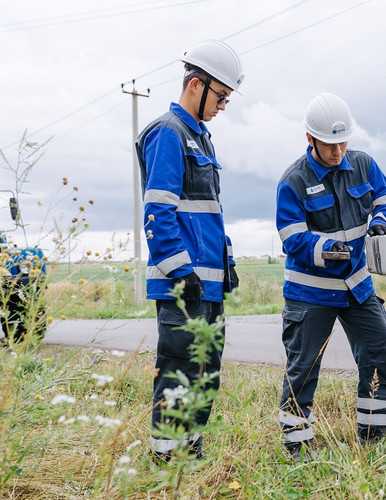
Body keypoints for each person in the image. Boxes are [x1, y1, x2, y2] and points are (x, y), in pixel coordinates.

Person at [275, 92, 386, 461]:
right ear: (311, 139)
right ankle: (297, 441)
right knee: (304, 366)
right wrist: (328, 250)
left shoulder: (363, 165)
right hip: (310, 294)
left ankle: (373, 429)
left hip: (357, 288)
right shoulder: (293, 181)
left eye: (343, 141)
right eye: (330, 144)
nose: (337, 151)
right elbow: (292, 238)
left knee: (379, 351)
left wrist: (381, 223)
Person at [135, 39, 243, 460]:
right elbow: (158, 213)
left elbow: (209, 212)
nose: (222, 106)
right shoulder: (168, 133)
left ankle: (189, 449)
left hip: (208, 286)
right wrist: (182, 273)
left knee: (204, 374)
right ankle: (167, 458)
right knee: (180, 370)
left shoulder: (203, 140)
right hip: (183, 286)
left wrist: (227, 260)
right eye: (221, 96)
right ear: (196, 85)